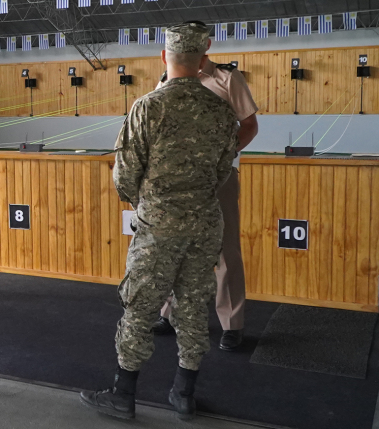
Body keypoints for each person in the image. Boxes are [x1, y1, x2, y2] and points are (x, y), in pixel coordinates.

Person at [80, 22, 239, 421]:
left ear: (164, 57)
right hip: (205, 224)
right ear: (203, 60)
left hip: (158, 226)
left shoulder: (148, 106)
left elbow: (124, 174)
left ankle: (123, 395)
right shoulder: (222, 110)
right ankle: (184, 394)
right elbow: (223, 169)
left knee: (140, 306)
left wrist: (146, 203)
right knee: (193, 306)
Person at [152, 60, 259, 351]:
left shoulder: (226, 78)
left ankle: (232, 324)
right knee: (175, 246)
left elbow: (250, 125)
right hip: (177, 179)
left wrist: (223, 155)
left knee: (225, 250)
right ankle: (168, 313)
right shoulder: (166, 79)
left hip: (217, 177)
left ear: (205, 45)